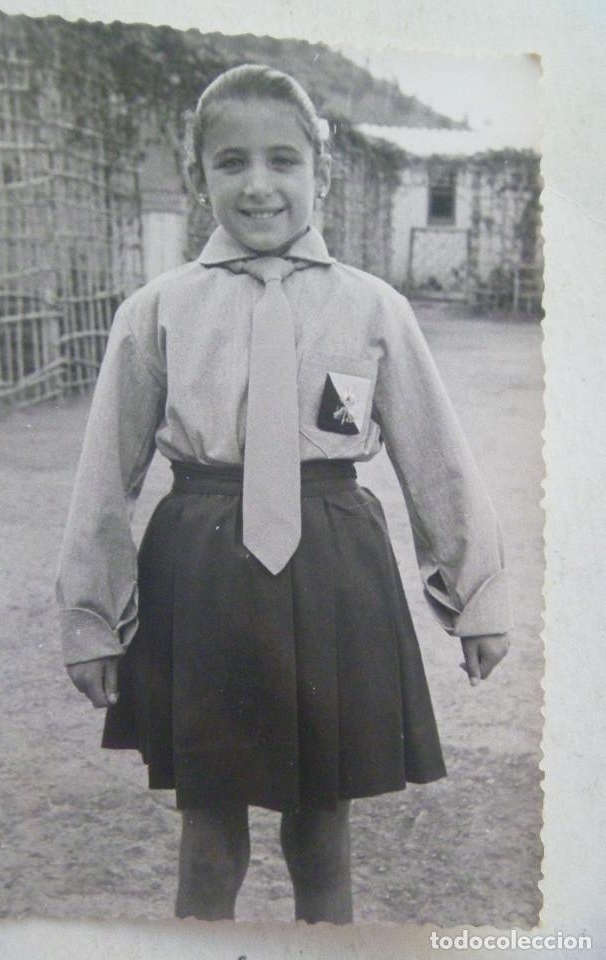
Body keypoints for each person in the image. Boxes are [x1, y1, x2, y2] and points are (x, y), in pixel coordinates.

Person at [56, 64, 511, 924]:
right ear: (200, 177)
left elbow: (435, 454)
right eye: (231, 163)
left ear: (322, 173)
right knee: (209, 830)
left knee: (322, 828)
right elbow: (103, 474)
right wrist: (90, 615)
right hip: (201, 573)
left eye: (282, 160)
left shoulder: (373, 309)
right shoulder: (157, 311)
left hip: (333, 569)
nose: (258, 185)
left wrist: (479, 596)